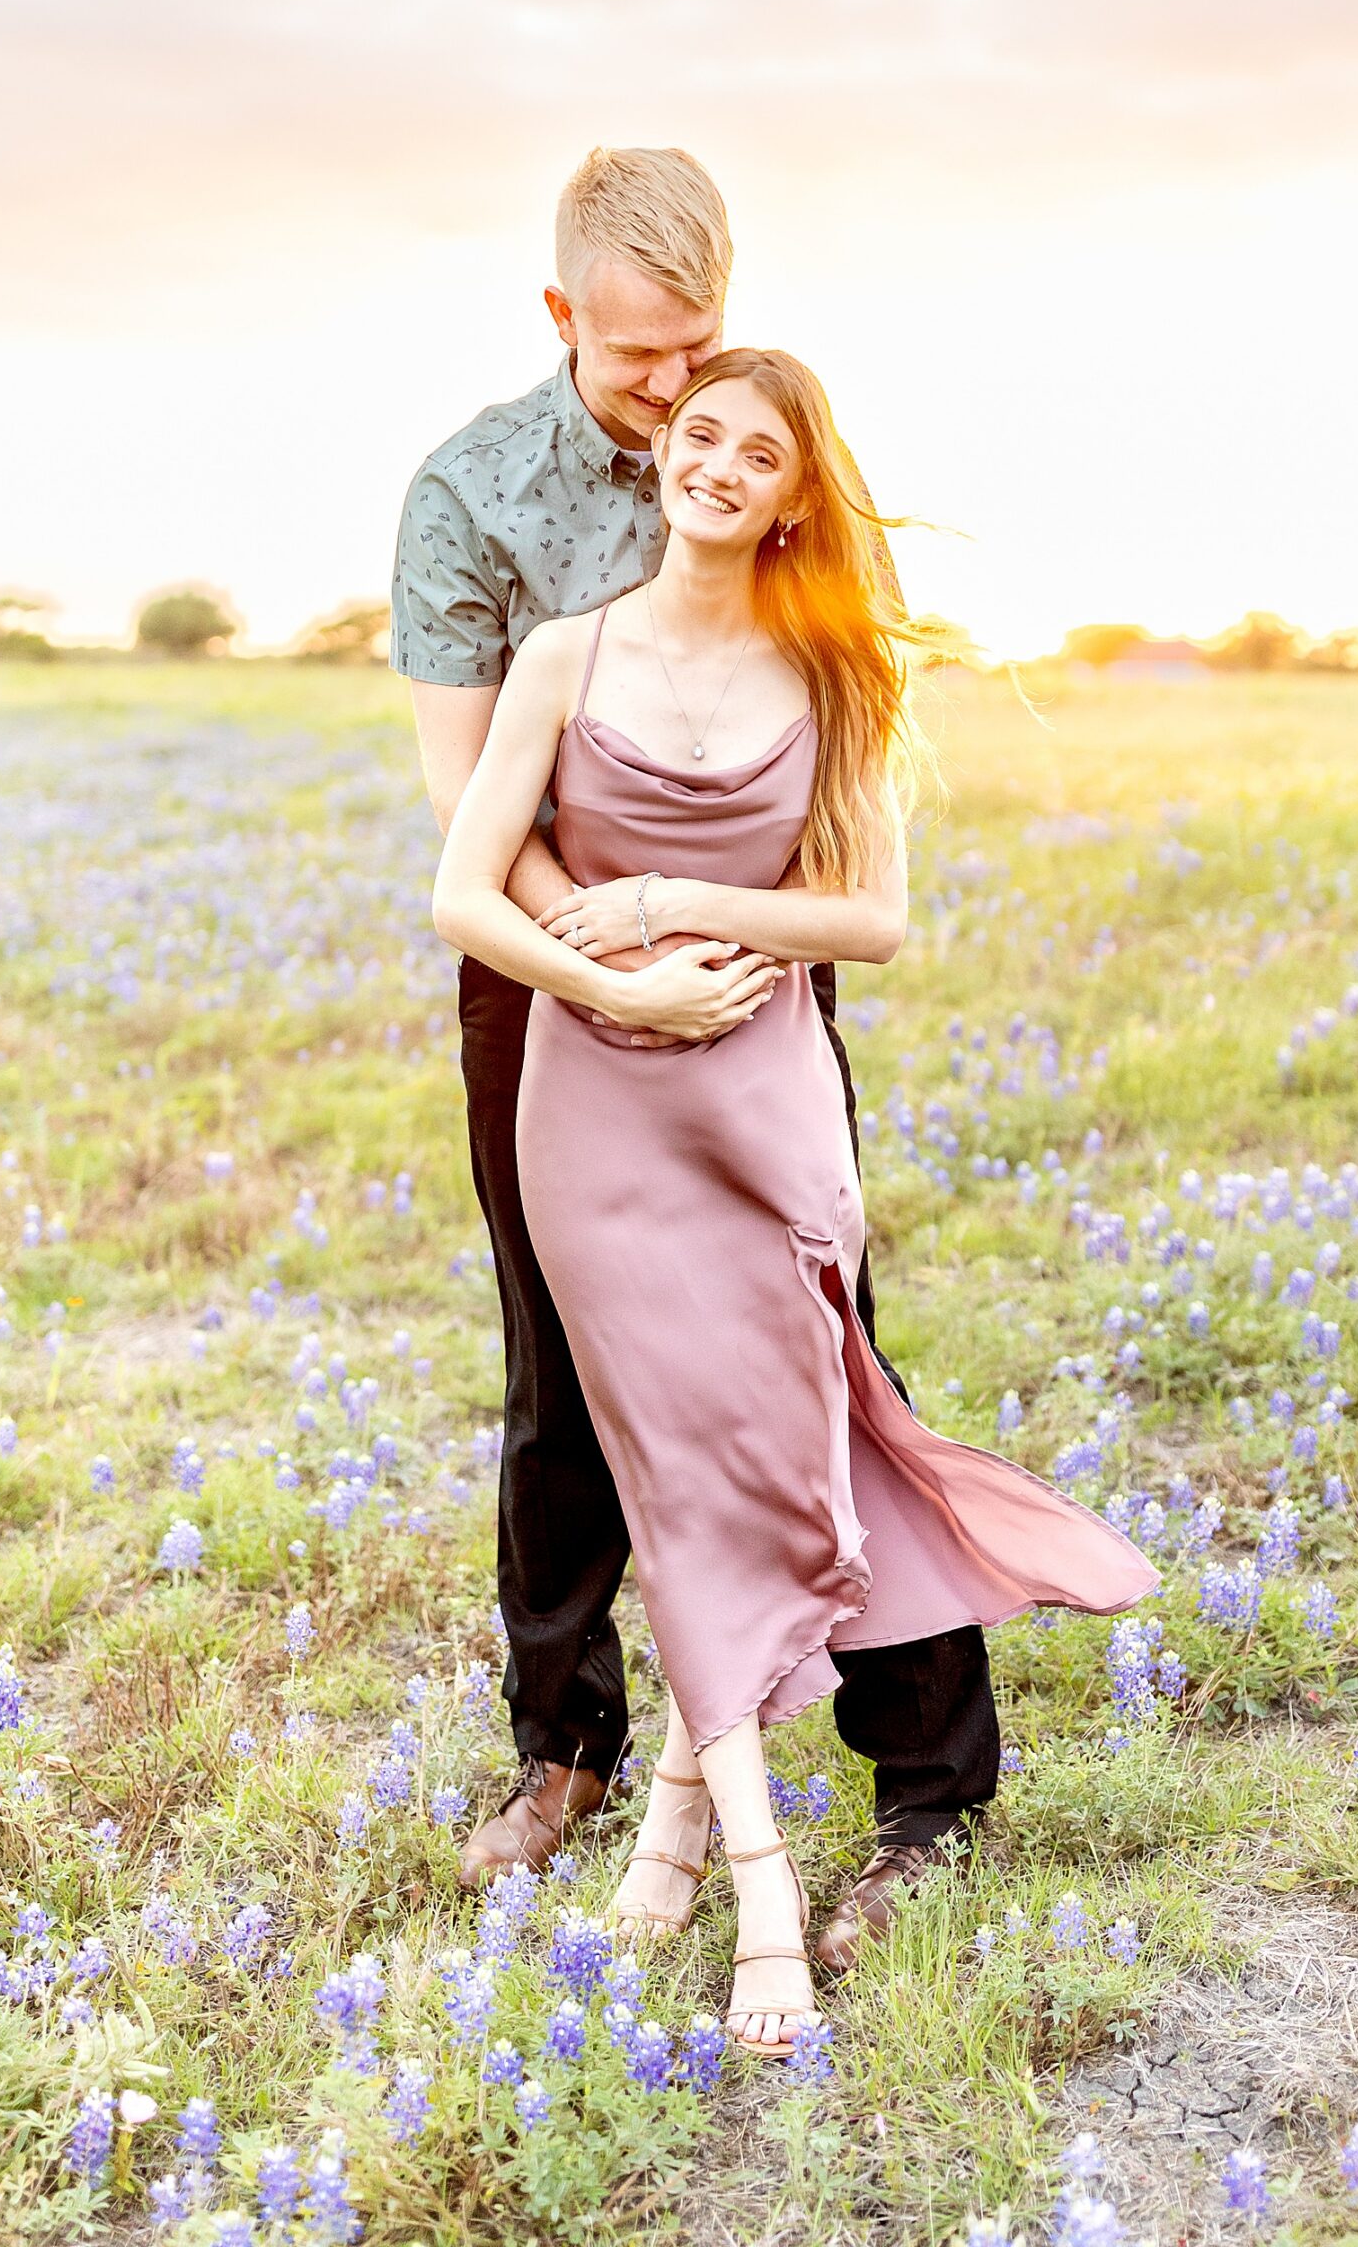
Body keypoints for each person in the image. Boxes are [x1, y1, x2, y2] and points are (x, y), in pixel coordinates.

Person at [429, 346, 1160, 2055]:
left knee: (776, 1448)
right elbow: (465, 891)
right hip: (595, 1103)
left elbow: (875, 919)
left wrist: (692, 903)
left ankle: (680, 1826)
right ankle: (761, 1884)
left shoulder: (832, 673)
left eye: (760, 453)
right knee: (676, 1476)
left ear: (793, 490)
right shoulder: (562, 653)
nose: (721, 466)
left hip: (764, 1106)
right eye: (700, 436)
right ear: (662, 456)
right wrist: (608, 981)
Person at [394, 146, 1002, 1974]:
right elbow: (463, 813)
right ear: (566, 317)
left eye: (705, 350)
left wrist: (700, 948)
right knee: (560, 1375)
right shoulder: (472, 495)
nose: (679, 396)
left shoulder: (758, 443)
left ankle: (928, 1788)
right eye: (647, 356)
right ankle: (566, 1748)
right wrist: (618, 958)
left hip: (753, 981)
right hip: (553, 968)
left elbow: (849, 758)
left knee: (822, 1350)